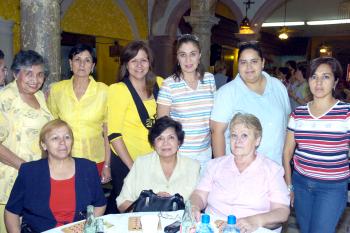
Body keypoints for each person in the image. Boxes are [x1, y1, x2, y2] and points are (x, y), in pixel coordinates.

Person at [190, 113, 290, 233]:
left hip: (253, 228)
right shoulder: (215, 165)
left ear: (257, 140)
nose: (238, 141)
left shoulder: (272, 170)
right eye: (233, 135)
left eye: (244, 136)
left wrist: (254, 221)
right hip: (214, 227)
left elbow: (282, 211)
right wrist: (194, 206)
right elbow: (199, 195)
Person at [283, 57, 349, 233]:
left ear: (335, 82)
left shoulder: (346, 113)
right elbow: (288, 151)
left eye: (325, 77)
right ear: (308, 80)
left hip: (332, 188)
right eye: (314, 76)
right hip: (301, 183)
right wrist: (289, 185)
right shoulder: (298, 113)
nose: (318, 82)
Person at [4, 119, 106, 232]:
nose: (62, 142)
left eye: (67, 137)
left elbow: (100, 204)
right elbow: (11, 213)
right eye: (55, 138)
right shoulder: (29, 172)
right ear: (44, 145)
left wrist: (87, 227)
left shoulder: (88, 168)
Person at [210, 42, 290, 165]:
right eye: (243, 62)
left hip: (275, 168)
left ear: (262, 62)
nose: (249, 67)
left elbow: (286, 125)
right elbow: (217, 133)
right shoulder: (227, 92)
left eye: (254, 61)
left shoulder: (278, 87)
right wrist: (221, 169)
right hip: (240, 170)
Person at [0, 50, 53, 233]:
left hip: (35, 179)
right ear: (16, 74)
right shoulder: (6, 98)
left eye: (40, 74)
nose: (35, 79)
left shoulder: (39, 96)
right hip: (11, 181)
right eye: (28, 73)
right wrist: (24, 167)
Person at [107, 41, 163, 213]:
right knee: (130, 210)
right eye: (133, 61)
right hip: (128, 162)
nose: (139, 65)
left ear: (150, 63)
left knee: (154, 207)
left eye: (144, 60)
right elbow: (114, 134)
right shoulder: (118, 90)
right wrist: (134, 168)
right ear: (126, 64)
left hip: (156, 161)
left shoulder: (160, 83)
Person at [47, 44, 110, 183]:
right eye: (77, 59)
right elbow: (50, 128)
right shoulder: (57, 90)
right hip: (63, 158)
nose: (82, 64)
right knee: (66, 201)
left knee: (91, 202)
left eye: (87, 60)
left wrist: (107, 164)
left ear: (92, 66)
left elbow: (107, 132)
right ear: (70, 63)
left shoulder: (104, 91)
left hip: (94, 160)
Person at [157, 34, 216, 171]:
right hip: (180, 154)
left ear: (199, 55)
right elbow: (163, 124)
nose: (188, 60)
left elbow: (214, 117)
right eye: (183, 55)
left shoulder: (209, 79)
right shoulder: (169, 84)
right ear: (177, 57)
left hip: (206, 152)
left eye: (193, 54)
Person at [117, 116, 200, 212]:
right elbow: (122, 203)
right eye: (160, 138)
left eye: (171, 138)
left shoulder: (193, 166)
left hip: (180, 224)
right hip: (144, 224)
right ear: (153, 144)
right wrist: (151, 204)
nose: (166, 143)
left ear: (179, 142)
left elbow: (198, 204)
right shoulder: (141, 164)